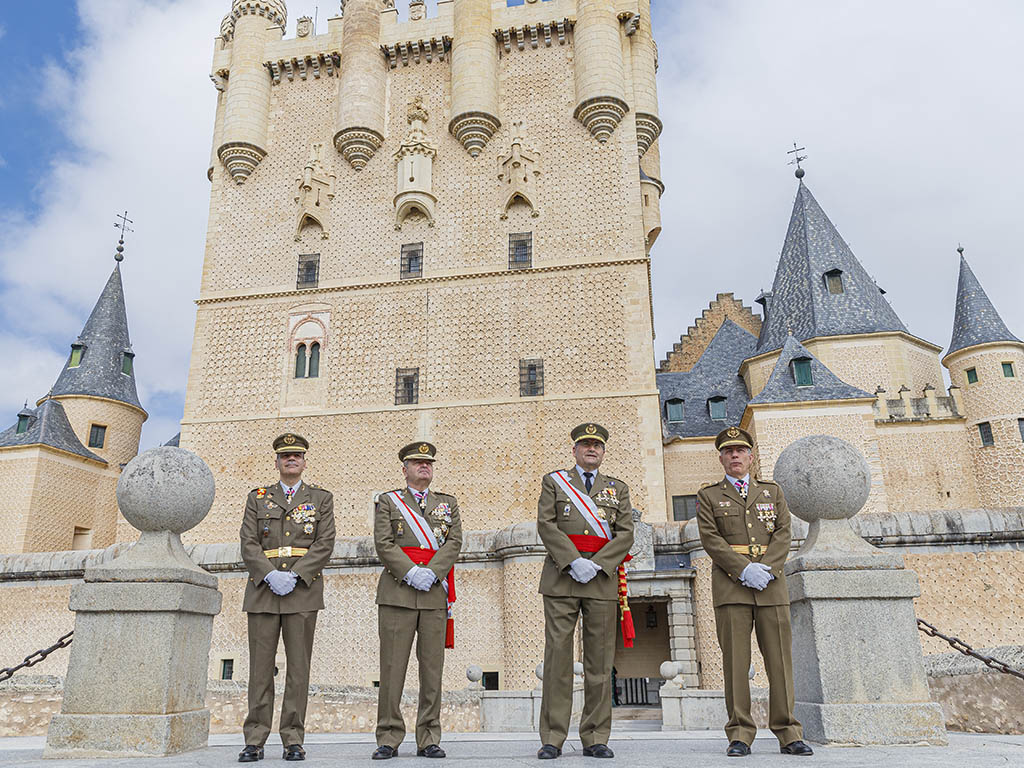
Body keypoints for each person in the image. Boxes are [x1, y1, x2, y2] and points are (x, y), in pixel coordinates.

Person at [696, 426, 813, 758]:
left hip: (771, 586)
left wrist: (769, 569)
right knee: (735, 664)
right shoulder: (709, 495)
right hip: (732, 587)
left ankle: (789, 731)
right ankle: (739, 734)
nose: (735, 456)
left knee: (779, 662)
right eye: (728, 451)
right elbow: (711, 538)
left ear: (750, 456)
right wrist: (743, 569)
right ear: (721, 458)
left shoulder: (772, 492)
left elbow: (783, 532)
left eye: (740, 451)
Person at [536, 423, 635, 760]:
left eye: (597, 445)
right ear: (575, 450)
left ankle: (595, 736)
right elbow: (546, 525)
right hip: (563, 577)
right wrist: (573, 561)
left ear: (604, 452)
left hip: (601, 579)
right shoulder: (555, 483)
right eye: (585, 444)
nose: (592, 449)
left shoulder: (617, 489)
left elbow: (625, 533)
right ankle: (553, 736)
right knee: (558, 659)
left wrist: (598, 564)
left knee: (600, 661)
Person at [238, 433, 336, 763]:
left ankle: (293, 738)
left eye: (296, 456)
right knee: (260, 670)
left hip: (302, 592)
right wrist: (270, 574)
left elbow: (325, 543)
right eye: (285, 456)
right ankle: (254, 739)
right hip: (264, 591)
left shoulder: (321, 498)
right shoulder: (258, 498)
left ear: (304, 461)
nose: (291, 460)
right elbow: (248, 542)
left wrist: (294, 575)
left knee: (299, 670)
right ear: (277, 462)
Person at [372, 442, 463, 760]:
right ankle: (388, 735)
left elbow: (454, 542)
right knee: (392, 667)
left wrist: (433, 573)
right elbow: (383, 542)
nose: (424, 466)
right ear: (404, 469)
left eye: (428, 462)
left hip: (434, 594)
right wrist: (411, 572)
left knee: (432, 670)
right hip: (398, 592)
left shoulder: (447, 503)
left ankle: (428, 737)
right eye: (417, 462)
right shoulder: (389, 502)